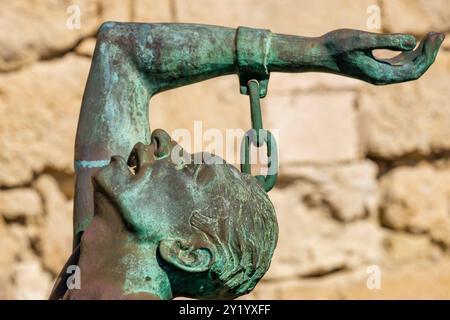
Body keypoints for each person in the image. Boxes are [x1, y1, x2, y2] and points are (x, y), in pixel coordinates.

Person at [50, 22, 443, 299]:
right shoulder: (91, 263)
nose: (162, 139)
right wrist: (312, 52)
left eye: (190, 170)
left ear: (186, 253)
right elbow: (120, 52)